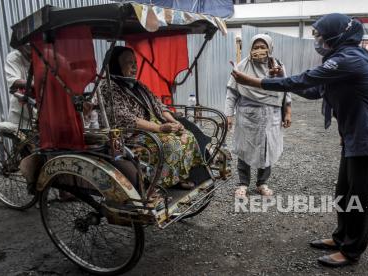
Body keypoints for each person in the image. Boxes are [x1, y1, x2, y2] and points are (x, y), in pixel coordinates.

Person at [231, 13, 368, 267]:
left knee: (362, 199)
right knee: (344, 192)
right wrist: (279, 79)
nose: (317, 40)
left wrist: (256, 81)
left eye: (319, 35)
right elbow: (313, 90)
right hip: (356, 137)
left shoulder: (349, 58)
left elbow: (304, 80)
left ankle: (351, 251)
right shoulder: (338, 60)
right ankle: (341, 237)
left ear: (335, 35)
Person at [100, 46, 202, 189]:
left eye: (135, 62)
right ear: (116, 65)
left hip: (150, 127)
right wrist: (159, 128)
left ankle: (179, 176)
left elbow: (158, 105)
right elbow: (124, 118)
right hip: (129, 136)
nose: (134, 66)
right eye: (129, 63)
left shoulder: (137, 85)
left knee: (188, 136)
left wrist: (174, 122)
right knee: (169, 145)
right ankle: (157, 185)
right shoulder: (108, 87)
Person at [225, 34, 292, 198]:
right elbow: (231, 93)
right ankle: (243, 183)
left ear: (270, 48)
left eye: (263, 47)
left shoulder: (278, 67)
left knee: (267, 148)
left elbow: (286, 89)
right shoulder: (241, 67)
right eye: (256, 47)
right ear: (250, 49)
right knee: (244, 148)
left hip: (271, 116)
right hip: (248, 116)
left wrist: (288, 112)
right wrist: (229, 115)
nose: (259, 51)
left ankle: (262, 182)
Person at [4, 44, 32, 127]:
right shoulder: (13, 58)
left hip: (38, 108)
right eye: (26, 45)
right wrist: (35, 84)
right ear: (20, 46)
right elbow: (14, 81)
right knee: (21, 138)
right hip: (20, 112)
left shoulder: (42, 55)